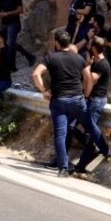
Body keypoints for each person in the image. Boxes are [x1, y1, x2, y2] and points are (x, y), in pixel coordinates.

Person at [31, 29, 86, 177]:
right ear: (69, 42)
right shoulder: (79, 58)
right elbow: (88, 77)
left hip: (59, 101)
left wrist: (44, 90)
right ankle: (97, 151)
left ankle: (63, 169)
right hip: (77, 100)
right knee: (89, 127)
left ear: (57, 43)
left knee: (60, 135)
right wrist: (85, 93)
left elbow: (36, 74)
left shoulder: (51, 58)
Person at [72, 36, 111, 174]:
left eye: (90, 45)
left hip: (96, 101)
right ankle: (101, 149)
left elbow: (91, 80)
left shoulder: (102, 64)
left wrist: (87, 66)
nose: (87, 47)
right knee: (71, 125)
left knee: (89, 134)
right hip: (89, 99)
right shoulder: (96, 62)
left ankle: (82, 165)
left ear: (94, 48)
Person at [0, 0, 36, 68]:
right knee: (8, 45)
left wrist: (8, 13)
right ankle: (12, 66)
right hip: (3, 25)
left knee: (10, 43)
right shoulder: (2, 0)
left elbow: (20, 10)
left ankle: (29, 57)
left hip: (14, 24)